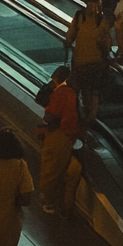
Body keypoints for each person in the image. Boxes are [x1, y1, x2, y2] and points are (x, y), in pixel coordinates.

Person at [65, 0, 113, 133]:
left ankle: (89, 118)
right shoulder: (83, 17)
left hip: (91, 62)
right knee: (90, 91)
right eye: (92, 5)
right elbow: (71, 35)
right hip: (85, 62)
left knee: (91, 91)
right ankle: (90, 118)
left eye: (96, 5)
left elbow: (70, 36)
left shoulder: (100, 20)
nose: (94, 8)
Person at [36, 66, 81, 217]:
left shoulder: (62, 92)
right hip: (67, 136)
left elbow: (48, 115)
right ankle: (58, 205)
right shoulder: (69, 93)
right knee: (61, 171)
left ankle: (54, 203)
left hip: (62, 136)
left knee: (59, 169)